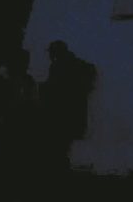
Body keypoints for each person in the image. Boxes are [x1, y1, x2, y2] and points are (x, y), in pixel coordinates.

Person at [39, 40, 96, 178]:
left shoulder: (60, 66)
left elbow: (54, 88)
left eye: (52, 52)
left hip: (62, 113)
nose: (50, 55)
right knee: (63, 144)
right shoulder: (75, 64)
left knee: (60, 143)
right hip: (71, 113)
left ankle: (60, 172)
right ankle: (62, 170)